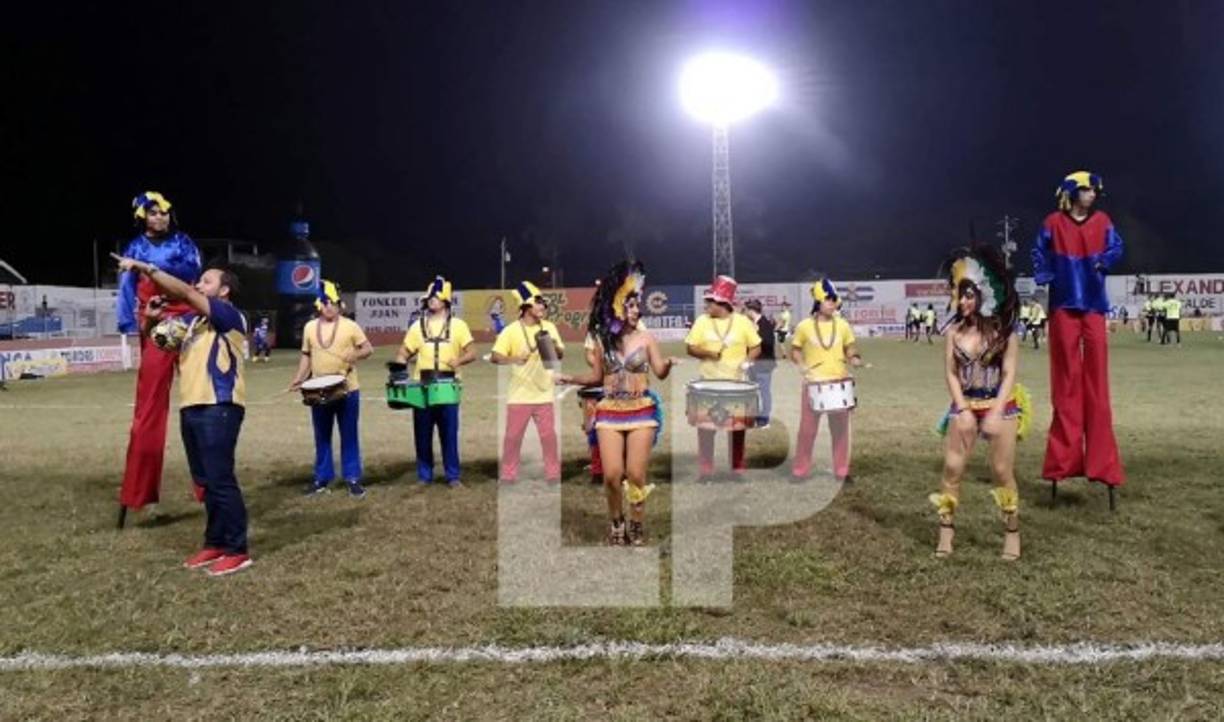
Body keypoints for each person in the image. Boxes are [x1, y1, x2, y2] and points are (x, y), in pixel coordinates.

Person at [114, 253, 252, 576]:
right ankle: (215, 542)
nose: (198, 284)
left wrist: (146, 269)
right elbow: (157, 341)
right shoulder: (192, 324)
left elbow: (187, 294)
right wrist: (149, 318)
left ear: (223, 292)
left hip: (220, 406)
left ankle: (237, 549)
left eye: (207, 281)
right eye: (199, 279)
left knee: (220, 478)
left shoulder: (230, 315)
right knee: (205, 481)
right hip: (191, 407)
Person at [556, 261, 678, 545]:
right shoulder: (602, 341)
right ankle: (616, 522)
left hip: (641, 410)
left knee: (635, 474)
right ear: (617, 308)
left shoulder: (646, 338)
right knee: (611, 475)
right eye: (632, 305)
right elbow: (597, 377)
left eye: (638, 306)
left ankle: (636, 524)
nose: (637, 311)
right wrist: (570, 378)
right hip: (610, 410)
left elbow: (658, 371)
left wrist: (668, 364)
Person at [929, 246, 1029, 561]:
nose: (964, 302)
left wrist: (997, 411)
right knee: (953, 468)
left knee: (1001, 470)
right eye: (960, 296)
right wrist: (961, 409)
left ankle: (1012, 534)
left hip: (1002, 405)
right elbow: (951, 373)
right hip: (965, 404)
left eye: (969, 295)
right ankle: (946, 533)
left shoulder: (1004, 334)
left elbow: (1010, 373)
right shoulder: (953, 334)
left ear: (984, 294)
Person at [1032, 170, 1125, 494]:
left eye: (1093, 191)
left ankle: (1102, 465)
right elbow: (1038, 253)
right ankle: (1063, 462)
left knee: (1097, 387)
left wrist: (1104, 261)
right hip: (1063, 307)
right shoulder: (1052, 223)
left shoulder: (1103, 221)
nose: (1092, 195)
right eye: (1086, 190)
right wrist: (1045, 273)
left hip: (1094, 307)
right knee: (1066, 385)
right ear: (1071, 193)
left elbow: (1116, 246)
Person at [116, 192, 203, 525]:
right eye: (154, 213)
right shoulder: (135, 249)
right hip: (155, 324)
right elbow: (127, 292)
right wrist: (133, 323)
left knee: (202, 399)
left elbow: (193, 279)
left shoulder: (184, 242)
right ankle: (137, 491)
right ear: (142, 217)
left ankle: (210, 488)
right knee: (149, 409)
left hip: (189, 319)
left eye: (165, 212)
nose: (161, 218)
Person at [288, 280, 373, 497]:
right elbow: (306, 356)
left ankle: (353, 478)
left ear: (339, 304)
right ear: (319, 305)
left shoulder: (350, 326)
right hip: (319, 391)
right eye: (325, 303)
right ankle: (322, 478)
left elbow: (367, 349)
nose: (329, 307)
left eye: (333, 303)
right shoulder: (309, 327)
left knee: (349, 435)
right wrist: (299, 378)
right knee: (322, 436)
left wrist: (354, 355)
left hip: (347, 389)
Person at [394, 276, 476, 487]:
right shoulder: (417, 326)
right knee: (422, 434)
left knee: (449, 434)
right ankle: (424, 475)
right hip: (421, 386)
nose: (431, 300)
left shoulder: (458, 325)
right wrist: (399, 367)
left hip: (448, 386)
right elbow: (403, 352)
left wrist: (458, 360)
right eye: (428, 298)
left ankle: (453, 475)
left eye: (435, 297)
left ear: (446, 301)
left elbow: (472, 352)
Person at [685, 276, 761, 477]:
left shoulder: (743, 322)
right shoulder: (702, 321)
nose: (707, 305)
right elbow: (690, 348)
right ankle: (706, 470)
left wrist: (747, 361)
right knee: (706, 428)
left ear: (722, 303)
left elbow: (756, 347)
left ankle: (737, 468)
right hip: (708, 385)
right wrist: (709, 354)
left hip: (736, 385)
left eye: (710, 302)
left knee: (737, 429)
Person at [491, 281, 565, 484]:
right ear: (526, 306)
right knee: (512, 438)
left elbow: (559, 355)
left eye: (544, 304)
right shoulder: (511, 331)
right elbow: (496, 356)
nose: (543, 308)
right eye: (539, 303)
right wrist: (515, 359)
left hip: (544, 393)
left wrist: (553, 347)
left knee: (549, 437)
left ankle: (552, 474)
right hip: (519, 394)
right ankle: (508, 475)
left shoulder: (548, 327)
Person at [790, 279, 864, 482]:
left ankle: (841, 471)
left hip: (838, 382)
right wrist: (802, 365)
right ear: (818, 301)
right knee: (807, 431)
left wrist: (854, 358)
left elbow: (850, 348)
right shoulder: (804, 326)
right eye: (829, 300)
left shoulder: (842, 325)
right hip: (813, 385)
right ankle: (800, 471)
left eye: (835, 300)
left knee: (840, 431)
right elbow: (795, 350)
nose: (833, 304)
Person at [744, 299, 777, 428]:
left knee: (764, 392)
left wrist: (757, 333)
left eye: (746, 310)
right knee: (753, 392)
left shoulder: (765, 324)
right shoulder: (751, 324)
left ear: (751, 311)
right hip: (752, 365)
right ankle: (754, 416)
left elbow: (768, 344)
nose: (745, 313)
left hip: (764, 364)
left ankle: (764, 419)